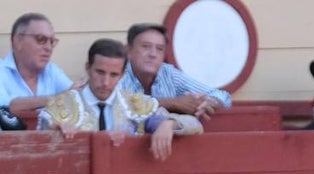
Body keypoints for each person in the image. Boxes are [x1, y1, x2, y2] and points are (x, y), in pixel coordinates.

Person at [38, 38, 202, 161]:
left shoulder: (134, 104)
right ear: (88, 68)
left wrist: (169, 123)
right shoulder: (62, 104)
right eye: (100, 72)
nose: (105, 82)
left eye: (114, 74)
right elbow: (40, 139)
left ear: (122, 75)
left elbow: (195, 124)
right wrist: (55, 130)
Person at [120, 23, 231, 121]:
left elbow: (222, 95)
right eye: (145, 47)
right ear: (129, 51)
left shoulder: (169, 73)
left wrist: (210, 102)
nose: (153, 54)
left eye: (159, 49)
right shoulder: (117, 73)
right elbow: (121, 103)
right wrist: (174, 103)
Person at [0, 13, 76, 115]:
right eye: (41, 39)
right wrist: (54, 100)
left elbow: (75, 99)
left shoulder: (52, 71)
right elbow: (5, 107)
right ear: (18, 41)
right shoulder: (2, 71)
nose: (49, 48)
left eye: (52, 41)